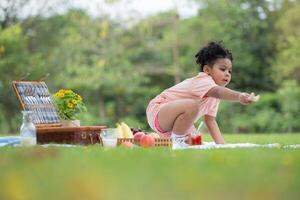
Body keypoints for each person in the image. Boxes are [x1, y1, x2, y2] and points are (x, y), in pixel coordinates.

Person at [146, 41, 258, 147]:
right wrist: (239, 96)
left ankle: (153, 140)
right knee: (192, 105)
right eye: (223, 69)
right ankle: (177, 141)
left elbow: (210, 121)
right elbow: (219, 92)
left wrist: (222, 146)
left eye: (229, 71)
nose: (227, 74)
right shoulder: (203, 80)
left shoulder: (214, 97)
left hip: (173, 122)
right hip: (159, 110)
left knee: (196, 141)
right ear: (207, 70)